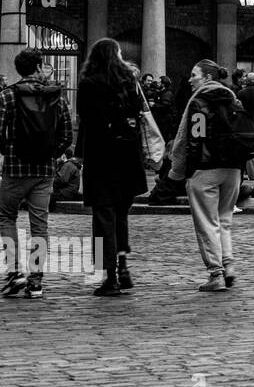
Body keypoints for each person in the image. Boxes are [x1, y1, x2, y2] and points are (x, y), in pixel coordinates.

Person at [0, 48, 75, 299]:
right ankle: (36, 281)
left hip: (15, 169)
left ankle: (14, 273)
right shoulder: (57, 97)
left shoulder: (7, 96)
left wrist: (9, 151)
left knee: (6, 218)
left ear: (19, 69)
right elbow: (67, 135)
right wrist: (51, 155)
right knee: (39, 226)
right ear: (40, 66)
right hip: (44, 171)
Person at [76, 39, 149, 297]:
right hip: (127, 156)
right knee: (121, 215)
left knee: (103, 218)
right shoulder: (129, 83)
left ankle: (109, 276)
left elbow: (86, 120)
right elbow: (139, 114)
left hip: (102, 156)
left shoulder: (89, 84)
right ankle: (124, 268)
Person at [170, 60, 246, 293]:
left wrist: (185, 170)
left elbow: (195, 138)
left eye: (194, 74)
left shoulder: (200, 101)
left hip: (206, 168)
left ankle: (216, 273)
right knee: (224, 221)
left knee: (207, 223)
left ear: (206, 77)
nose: (190, 79)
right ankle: (229, 264)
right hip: (233, 168)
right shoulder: (232, 98)